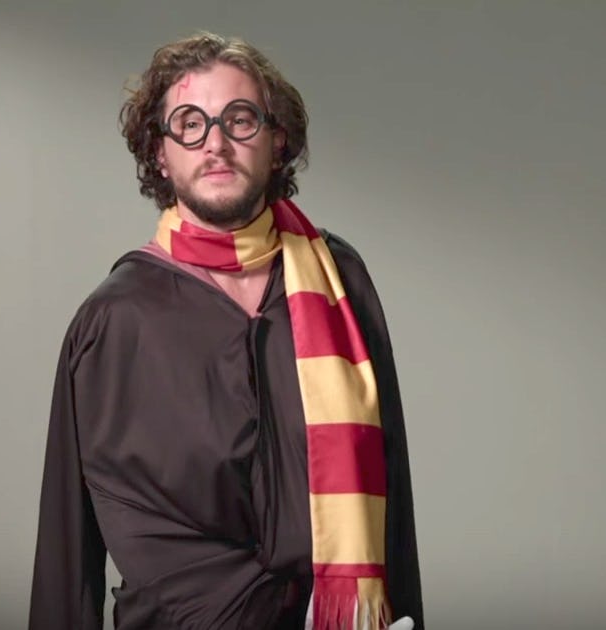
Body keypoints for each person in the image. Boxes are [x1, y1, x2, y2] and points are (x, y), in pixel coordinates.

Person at [28, 32, 423, 630]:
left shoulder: (339, 282)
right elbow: (68, 543)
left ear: (276, 138)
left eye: (239, 119)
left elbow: (391, 500)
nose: (215, 143)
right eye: (189, 124)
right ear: (160, 153)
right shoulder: (115, 320)